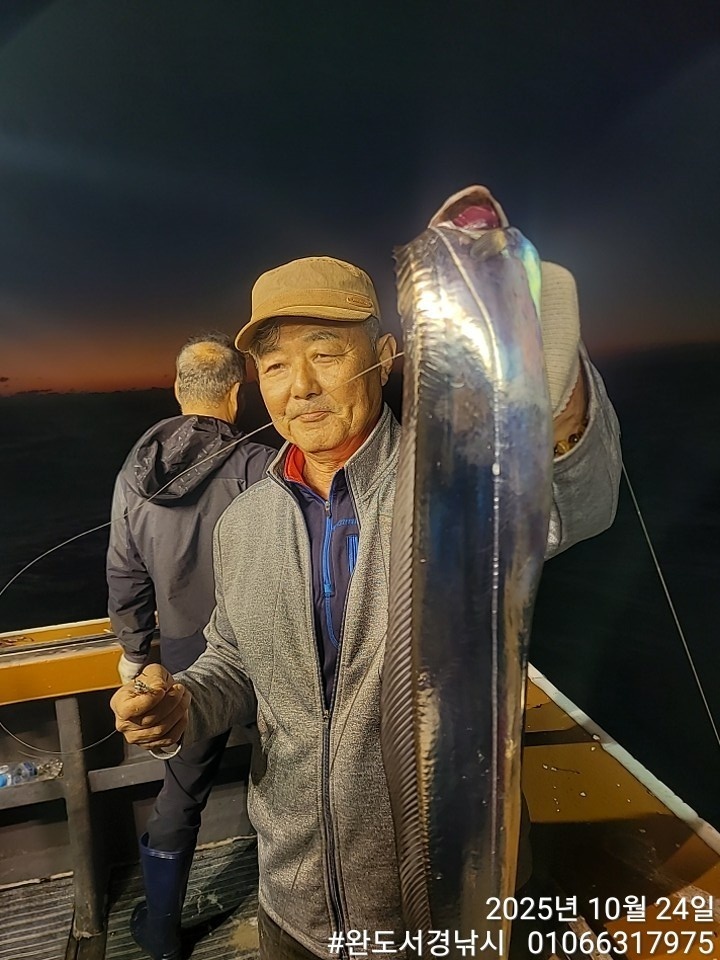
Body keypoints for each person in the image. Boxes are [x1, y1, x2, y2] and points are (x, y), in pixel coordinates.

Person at [110, 188, 622, 960]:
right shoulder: (243, 520)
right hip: (292, 907)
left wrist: (559, 412)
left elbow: (574, 509)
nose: (300, 386)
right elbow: (235, 660)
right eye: (275, 365)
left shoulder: (449, 479)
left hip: (446, 903)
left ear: (384, 356)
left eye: (324, 353)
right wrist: (183, 702)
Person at [106, 331, 276, 960]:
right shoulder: (263, 464)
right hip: (267, 648)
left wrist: (135, 652)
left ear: (179, 389)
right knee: (292, 769)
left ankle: (159, 932)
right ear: (236, 393)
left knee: (181, 791)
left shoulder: (134, 471)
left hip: (182, 656)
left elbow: (125, 571)